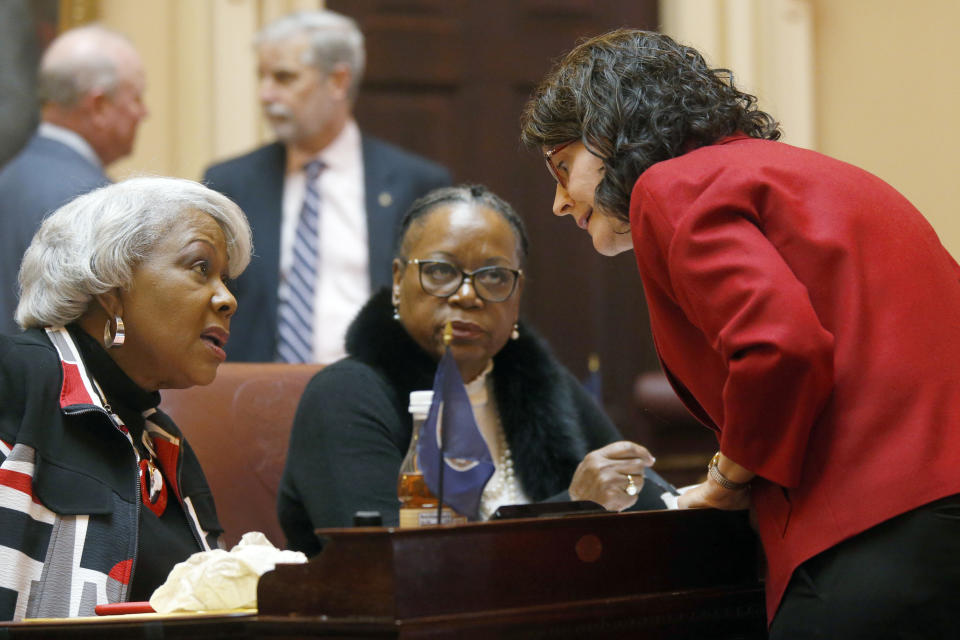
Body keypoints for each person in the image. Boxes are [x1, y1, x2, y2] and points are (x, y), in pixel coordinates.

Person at [520, 29, 960, 638]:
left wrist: (726, 479)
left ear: (609, 133)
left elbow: (779, 346)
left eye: (562, 167)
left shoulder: (670, 186)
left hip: (874, 534)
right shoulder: (825, 175)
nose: (559, 203)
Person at [277, 184, 665, 556]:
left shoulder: (543, 385)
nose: (467, 295)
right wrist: (575, 506)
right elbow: (386, 566)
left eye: (495, 276)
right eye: (442, 271)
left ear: (516, 296)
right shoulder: (345, 397)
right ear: (398, 281)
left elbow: (649, 500)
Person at [0, 176, 252, 621]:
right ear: (112, 288)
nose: (227, 298)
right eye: (200, 268)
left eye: (225, 278)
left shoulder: (161, 439)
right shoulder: (18, 380)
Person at [203, 9, 452, 365]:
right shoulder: (231, 183)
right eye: (262, 77)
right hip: (252, 393)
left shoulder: (415, 182)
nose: (265, 94)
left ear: (338, 81)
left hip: (373, 392)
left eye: (284, 78)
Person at [0, 24, 148, 336]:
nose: (143, 113)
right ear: (98, 106)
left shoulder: (10, 176)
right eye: (136, 98)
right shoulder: (93, 201)